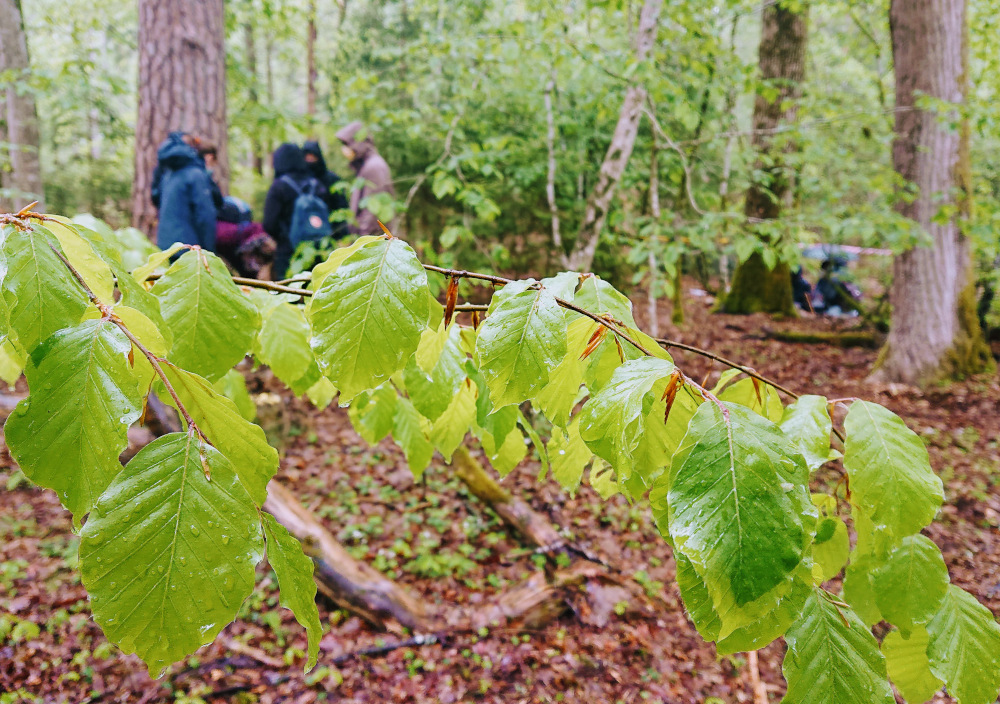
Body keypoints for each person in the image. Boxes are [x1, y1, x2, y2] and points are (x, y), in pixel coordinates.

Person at [262, 143, 339, 280]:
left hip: (288, 252)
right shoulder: (317, 184)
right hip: (319, 250)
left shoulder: (279, 187)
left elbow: (269, 223)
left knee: (289, 294)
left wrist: (283, 237)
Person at [150, 131, 218, 251]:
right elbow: (204, 216)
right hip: (189, 248)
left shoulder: (168, 173)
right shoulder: (196, 175)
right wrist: (209, 250)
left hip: (165, 246)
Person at [335, 121, 395, 235]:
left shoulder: (373, 167)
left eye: (347, 144)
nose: (344, 150)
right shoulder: (366, 165)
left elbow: (372, 210)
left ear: (357, 144)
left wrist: (363, 239)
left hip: (373, 240)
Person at [302, 140, 350, 240]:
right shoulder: (300, 181)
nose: (309, 160)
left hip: (331, 233)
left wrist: (341, 236)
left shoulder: (332, 179)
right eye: (307, 157)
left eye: (312, 156)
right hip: (306, 236)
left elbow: (341, 208)